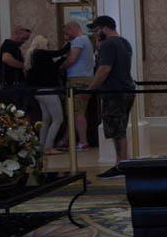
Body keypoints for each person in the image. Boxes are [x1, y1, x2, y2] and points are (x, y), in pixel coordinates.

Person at [86, 15, 135, 179]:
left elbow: (104, 70)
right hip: (127, 89)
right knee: (119, 128)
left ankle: (121, 164)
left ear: (104, 28)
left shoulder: (108, 44)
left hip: (114, 91)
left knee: (117, 130)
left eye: (96, 30)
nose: (94, 34)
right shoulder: (124, 42)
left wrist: (89, 91)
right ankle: (122, 163)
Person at [23, 34, 69, 154]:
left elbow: (53, 67)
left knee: (46, 119)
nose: (49, 47)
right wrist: (70, 43)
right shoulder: (39, 53)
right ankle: (48, 147)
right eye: (47, 44)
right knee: (58, 118)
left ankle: (42, 146)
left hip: (38, 91)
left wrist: (64, 57)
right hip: (48, 91)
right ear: (41, 44)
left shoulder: (35, 56)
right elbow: (59, 52)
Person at [60, 21, 95, 150]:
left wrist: (62, 67)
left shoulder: (78, 40)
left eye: (66, 32)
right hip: (87, 78)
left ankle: (83, 142)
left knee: (77, 112)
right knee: (74, 111)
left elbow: (73, 58)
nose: (66, 36)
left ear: (72, 29)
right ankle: (66, 140)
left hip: (77, 79)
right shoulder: (86, 40)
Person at [0, 27, 31, 107]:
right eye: (23, 38)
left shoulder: (11, 45)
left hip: (13, 84)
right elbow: (6, 58)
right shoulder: (10, 44)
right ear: (16, 34)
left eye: (26, 39)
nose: (24, 41)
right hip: (13, 84)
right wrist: (24, 66)